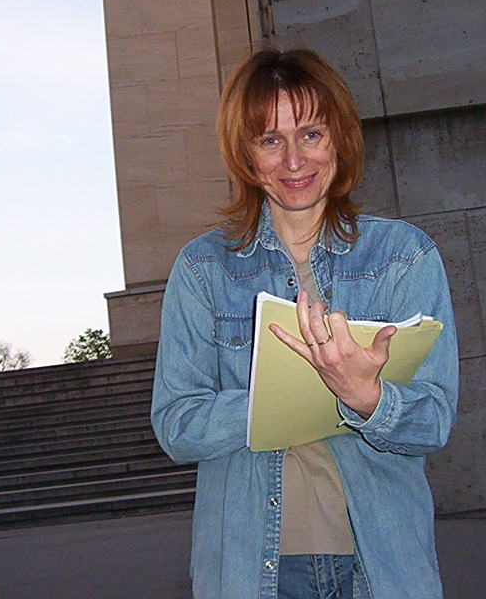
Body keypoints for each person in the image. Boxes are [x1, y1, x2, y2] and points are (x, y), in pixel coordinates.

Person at [151, 47, 459, 599]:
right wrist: (280, 398)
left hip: (381, 566)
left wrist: (368, 398)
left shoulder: (404, 256)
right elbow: (177, 424)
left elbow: (433, 419)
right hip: (252, 571)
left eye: (311, 134)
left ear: (339, 138)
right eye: (270, 140)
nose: (294, 161)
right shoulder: (202, 269)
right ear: (245, 155)